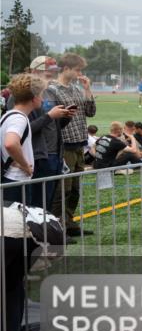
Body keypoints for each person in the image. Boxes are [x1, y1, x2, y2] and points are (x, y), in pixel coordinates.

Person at [1, 73, 47, 331]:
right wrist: (26, 165)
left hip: (10, 188)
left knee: (12, 268)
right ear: (34, 97)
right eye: (41, 94)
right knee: (14, 266)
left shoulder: (8, 116)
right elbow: (10, 143)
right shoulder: (18, 119)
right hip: (15, 190)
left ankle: (10, 330)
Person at [6, 57, 73, 210]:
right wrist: (50, 116)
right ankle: (35, 233)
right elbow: (21, 130)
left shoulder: (49, 91)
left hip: (54, 154)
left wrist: (64, 117)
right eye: (49, 73)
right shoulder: (19, 95)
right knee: (35, 205)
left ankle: (46, 231)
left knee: (47, 203)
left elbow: (54, 126)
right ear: (35, 71)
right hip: (37, 157)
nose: (53, 75)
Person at [46, 53, 97, 236]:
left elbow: (91, 112)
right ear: (66, 68)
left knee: (75, 188)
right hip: (64, 145)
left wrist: (87, 89)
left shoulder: (77, 89)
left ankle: (69, 222)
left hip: (79, 144)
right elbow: (50, 119)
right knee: (63, 189)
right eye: (77, 69)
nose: (79, 73)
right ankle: (58, 227)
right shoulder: (52, 90)